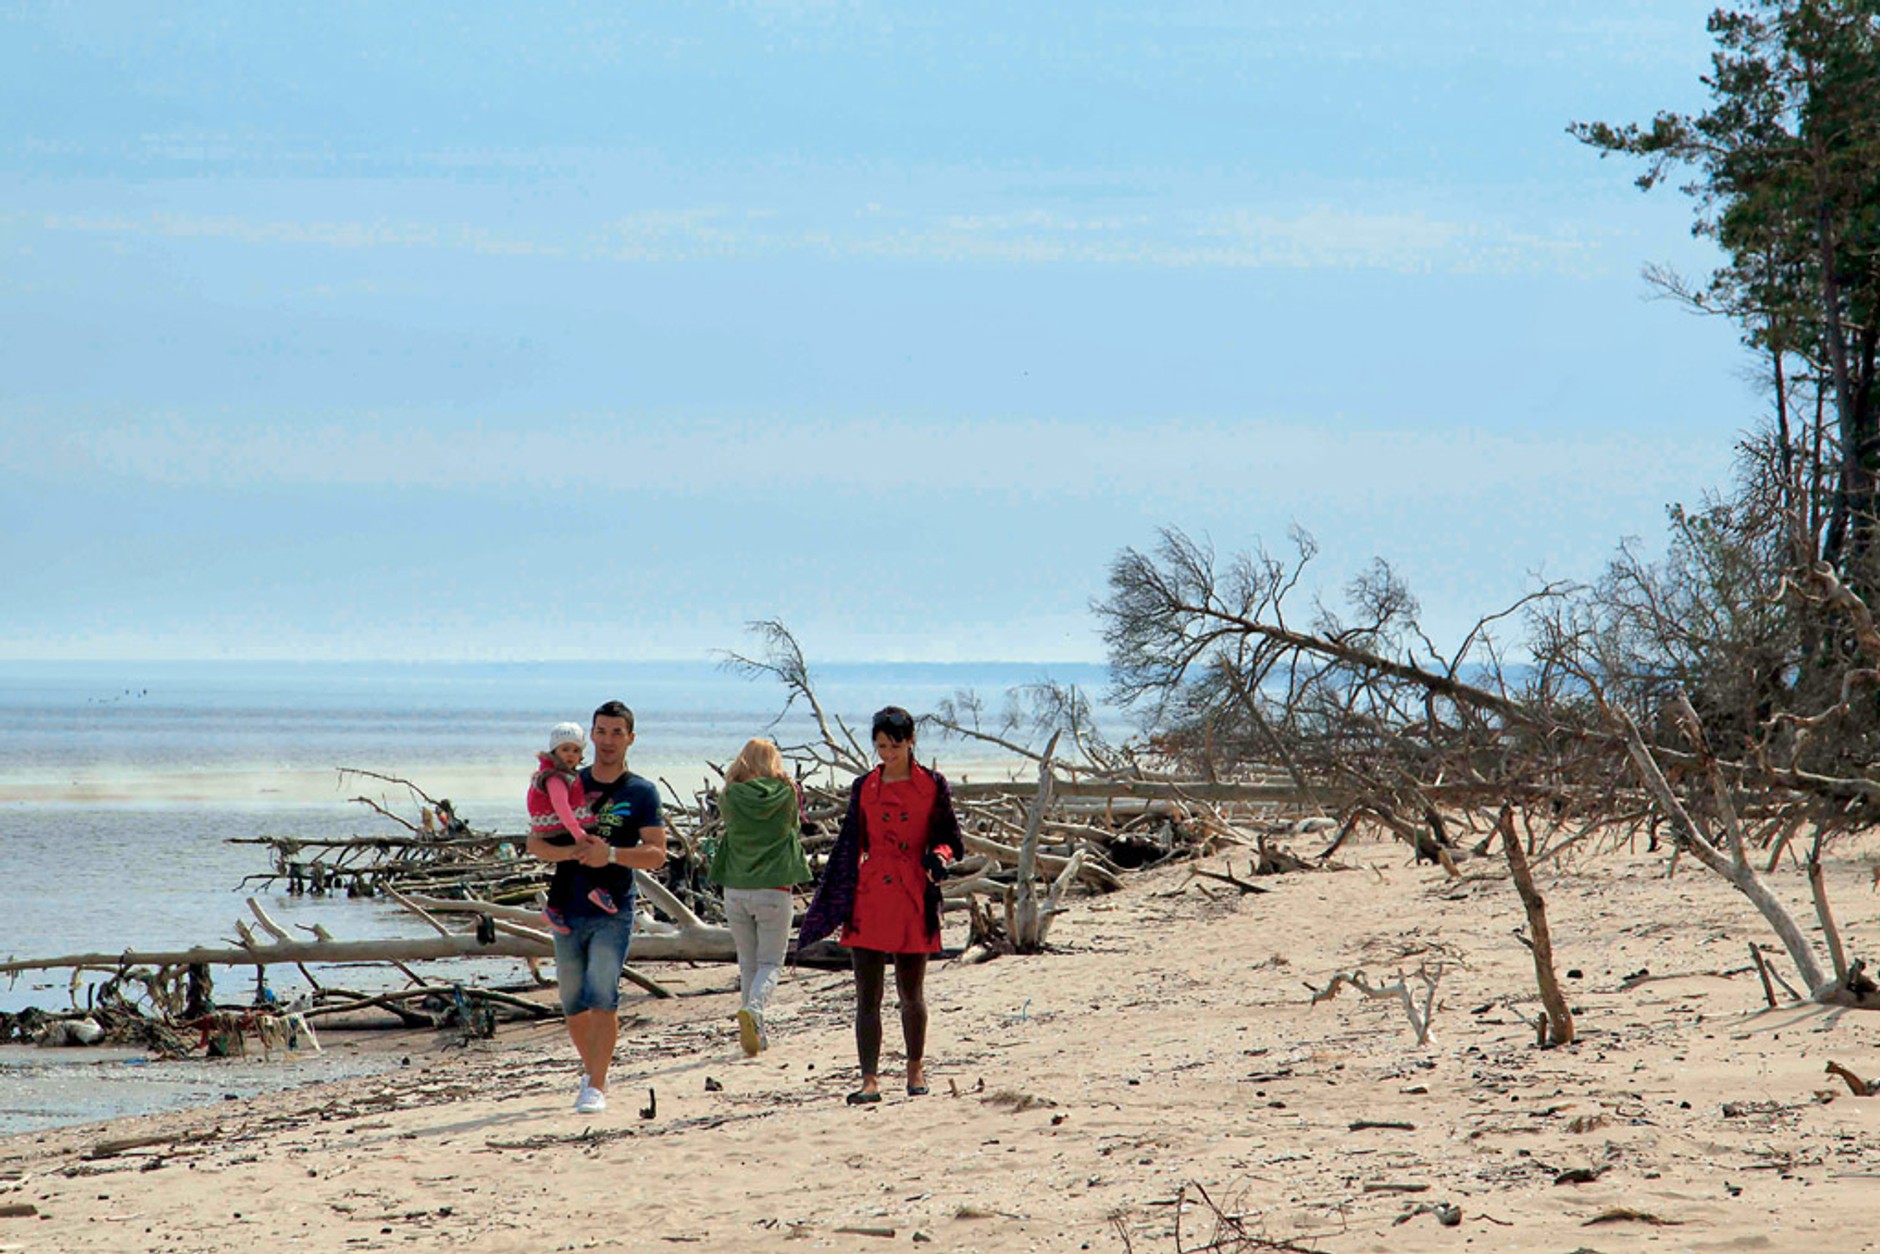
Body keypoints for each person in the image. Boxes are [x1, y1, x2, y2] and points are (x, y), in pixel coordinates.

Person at [798, 706, 962, 1104]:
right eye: (881, 747)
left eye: (894, 746)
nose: (887, 754)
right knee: (867, 995)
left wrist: (939, 857)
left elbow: (950, 838)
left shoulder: (932, 784)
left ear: (911, 741)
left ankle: (915, 1068)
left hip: (913, 892)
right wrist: (836, 895)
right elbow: (851, 842)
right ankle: (869, 1079)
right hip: (870, 893)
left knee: (911, 992)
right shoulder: (865, 786)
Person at [525, 700, 667, 1115]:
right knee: (573, 1001)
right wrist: (574, 852)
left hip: (613, 909)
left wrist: (612, 855)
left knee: (603, 994)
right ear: (590, 736)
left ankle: (597, 1085)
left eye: (616, 733)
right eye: (600, 732)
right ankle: (593, 1071)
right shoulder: (568, 779)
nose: (607, 740)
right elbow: (535, 843)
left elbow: (657, 854)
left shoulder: (641, 791)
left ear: (631, 738)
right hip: (567, 908)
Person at [707, 738, 812, 1057]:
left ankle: (755, 1033)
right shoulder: (787, 792)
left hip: (736, 888)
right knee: (770, 962)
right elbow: (793, 825)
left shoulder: (729, 795)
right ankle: (754, 1010)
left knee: (748, 963)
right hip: (775, 889)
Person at [526, 722, 615, 935]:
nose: (571, 755)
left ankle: (554, 909)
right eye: (565, 749)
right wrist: (578, 833)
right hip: (558, 829)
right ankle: (597, 888)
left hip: (558, 828)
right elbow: (562, 807)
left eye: (576, 750)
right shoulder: (555, 777)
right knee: (591, 850)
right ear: (555, 751)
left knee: (567, 868)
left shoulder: (564, 774)